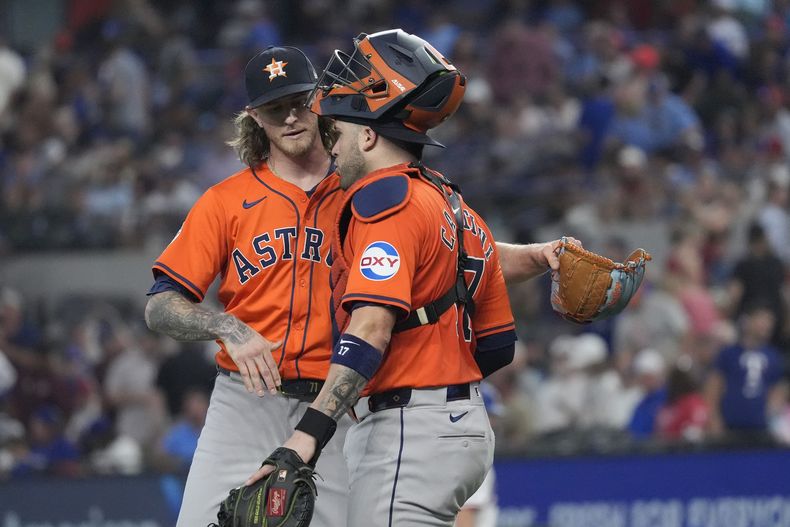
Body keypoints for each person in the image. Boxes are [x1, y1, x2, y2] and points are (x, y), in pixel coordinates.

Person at [145, 42, 571, 527]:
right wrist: (228, 328)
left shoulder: (365, 182)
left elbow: (451, 257)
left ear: (323, 100)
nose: (290, 118)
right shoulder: (224, 202)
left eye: (299, 102)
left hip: (341, 401)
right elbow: (160, 305)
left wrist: (536, 256)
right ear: (254, 118)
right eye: (274, 109)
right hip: (246, 400)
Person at [246, 29, 517, 526]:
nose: (333, 144)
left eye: (341, 132)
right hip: (463, 428)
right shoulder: (456, 208)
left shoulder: (384, 202)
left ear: (369, 135)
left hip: (408, 431)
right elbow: (498, 346)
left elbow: (370, 329)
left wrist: (304, 439)